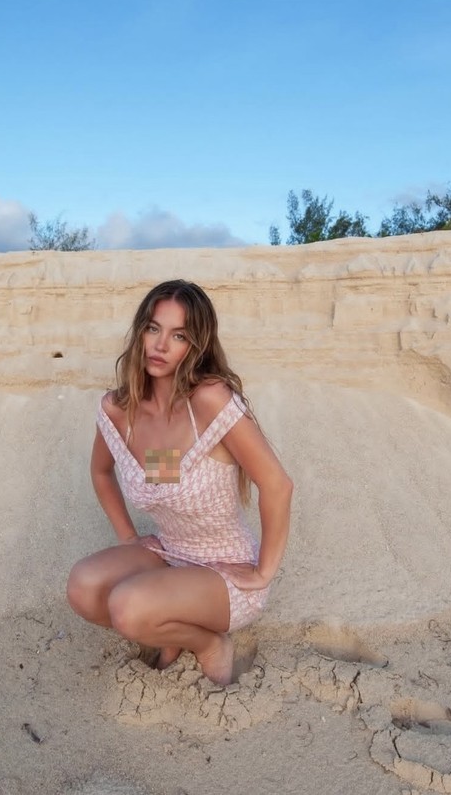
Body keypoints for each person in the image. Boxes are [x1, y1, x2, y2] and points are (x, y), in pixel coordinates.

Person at [67, 280, 293, 685]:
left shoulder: (208, 400)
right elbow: (104, 472)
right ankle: (167, 628)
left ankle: (209, 643)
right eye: (153, 329)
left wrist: (264, 572)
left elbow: (277, 484)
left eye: (179, 335)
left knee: (129, 606)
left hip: (226, 572)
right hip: (170, 553)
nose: (160, 345)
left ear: (197, 345)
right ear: (140, 332)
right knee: (83, 588)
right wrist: (129, 538)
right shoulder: (121, 410)